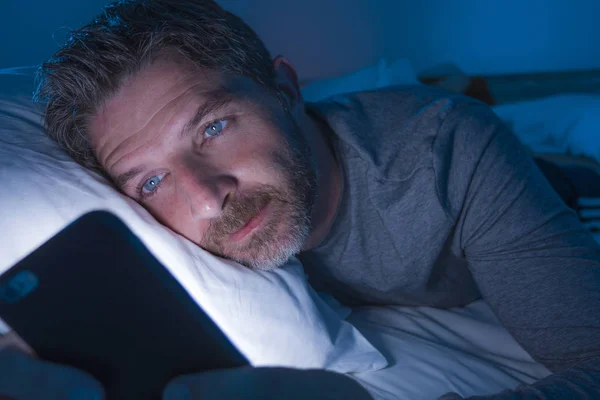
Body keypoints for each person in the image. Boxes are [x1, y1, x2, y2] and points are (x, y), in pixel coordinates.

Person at [1, 0, 599, 398]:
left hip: (557, 186)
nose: (208, 200)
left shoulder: (447, 153)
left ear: (285, 89)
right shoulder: (165, 231)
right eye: (151, 181)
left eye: (212, 127)